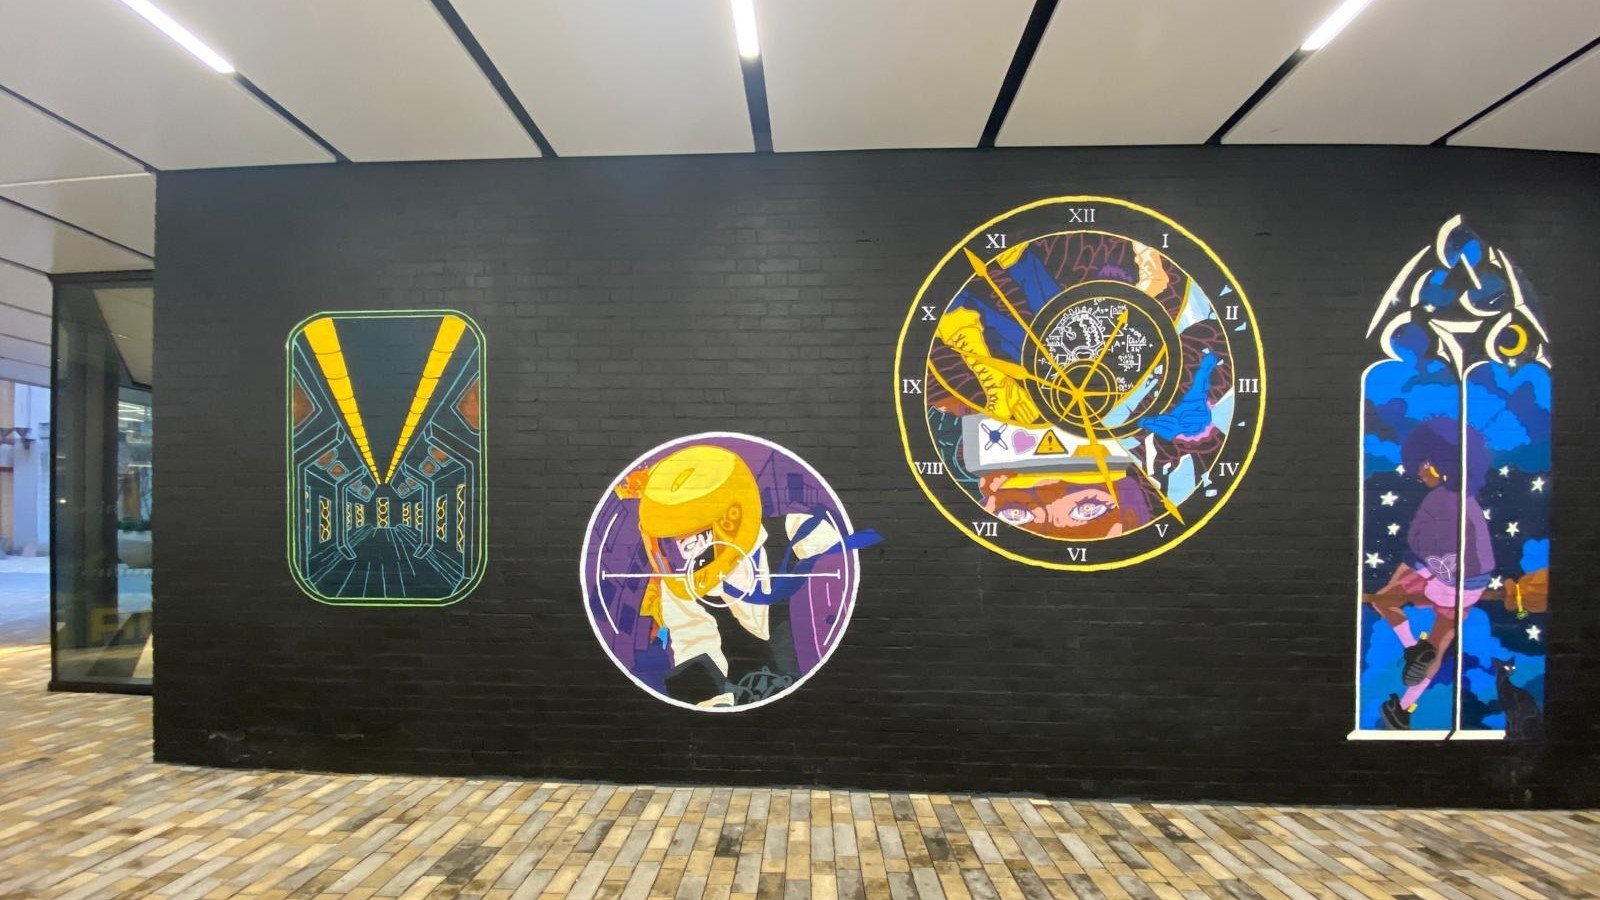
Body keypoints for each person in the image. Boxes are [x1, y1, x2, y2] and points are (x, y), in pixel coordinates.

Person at [623, 445, 878, 708]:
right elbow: (695, 647)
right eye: (676, 544)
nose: (688, 554)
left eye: (696, 538)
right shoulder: (681, 589)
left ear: (730, 518)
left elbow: (848, 581)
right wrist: (716, 704)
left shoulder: (798, 531)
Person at [1365, 419, 1494, 729]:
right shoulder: (1469, 502)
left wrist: (1396, 586)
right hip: (1474, 586)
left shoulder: (1437, 500)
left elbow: (1416, 550)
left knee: (1383, 601)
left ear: (1439, 462)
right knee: (1438, 643)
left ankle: (1413, 648)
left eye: (1423, 464)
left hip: (1445, 579)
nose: (1420, 473)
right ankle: (1403, 709)